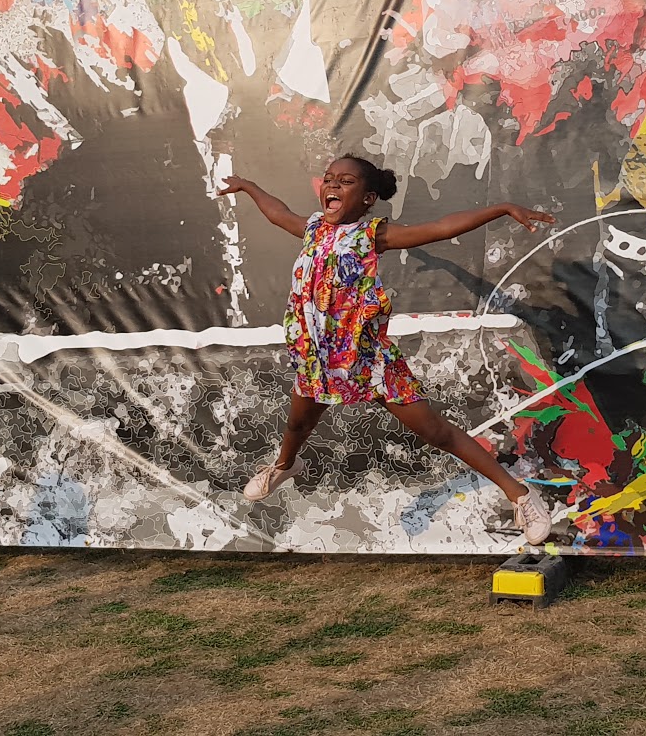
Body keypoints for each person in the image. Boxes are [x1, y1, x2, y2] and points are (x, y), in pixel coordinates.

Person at [218, 155, 555, 545]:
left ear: (367, 198)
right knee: (297, 425)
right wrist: (248, 186)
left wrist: (501, 208)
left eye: (346, 182)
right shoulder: (312, 228)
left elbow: (440, 228)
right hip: (318, 358)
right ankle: (282, 466)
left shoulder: (372, 235)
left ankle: (521, 495)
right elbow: (278, 213)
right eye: (329, 180)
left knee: (437, 433)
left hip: (366, 359)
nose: (333, 187)